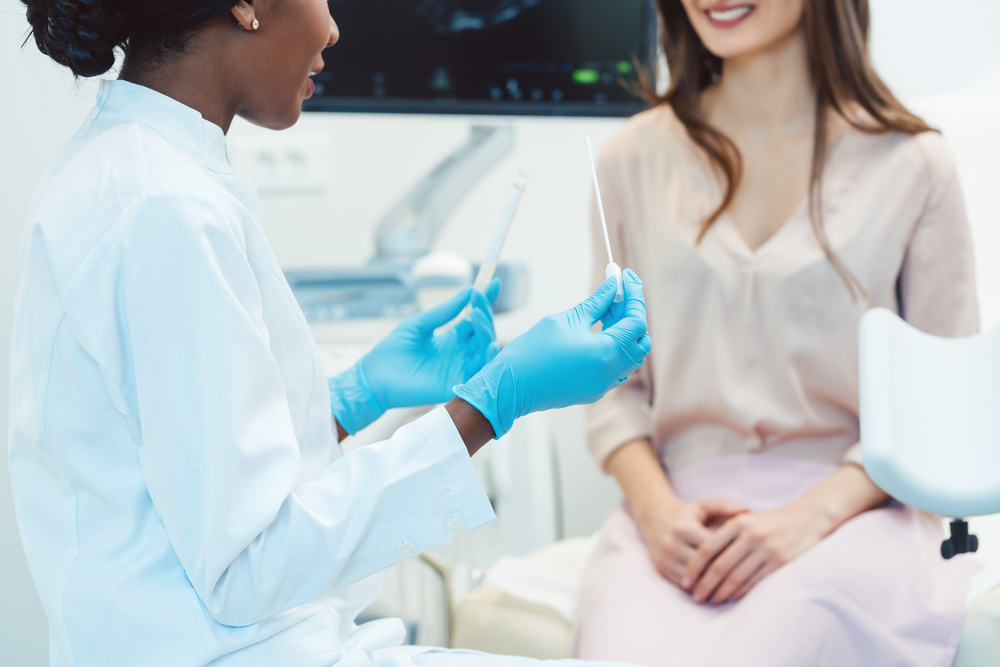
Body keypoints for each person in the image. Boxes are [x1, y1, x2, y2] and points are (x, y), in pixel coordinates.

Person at [8, 1, 652, 666]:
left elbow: (197, 466)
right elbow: (245, 567)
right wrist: (492, 404)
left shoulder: (142, 169)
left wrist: (351, 397)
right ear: (246, 6)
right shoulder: (164, 208)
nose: (336, 29)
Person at [573, 1, 980, 666]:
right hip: (677, 526)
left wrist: (808, 520)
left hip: (854, 518)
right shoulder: (629, 160)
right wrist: (656, 513)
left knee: (777, 635)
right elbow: (612, 389)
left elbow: (940, 413)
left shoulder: (915, 165)